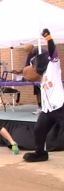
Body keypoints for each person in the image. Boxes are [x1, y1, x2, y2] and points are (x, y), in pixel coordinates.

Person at [22, 29, 64, 163]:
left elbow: (53, 51)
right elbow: (29, 68)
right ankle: (40, 153)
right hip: (47, 110)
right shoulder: (42, 75)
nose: (33, 67)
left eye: (34, 65)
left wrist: (48, 37)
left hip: (60, 107)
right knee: (39, 130)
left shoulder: (53, 66)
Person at [12, 44, 48, 115]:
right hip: (36, 77)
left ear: (33, 48)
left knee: (45, 92)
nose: (29, 54)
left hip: (45, 76)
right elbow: (26, 66)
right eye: (28, 53)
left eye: (30, 52)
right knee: (38, 92)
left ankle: (46, 107)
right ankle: (40, 107)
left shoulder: (43, 52)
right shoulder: (30, 55)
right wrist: (19, 72)